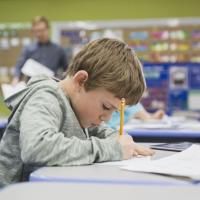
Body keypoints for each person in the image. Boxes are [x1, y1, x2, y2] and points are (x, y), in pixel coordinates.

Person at [0, 38, 154, 187]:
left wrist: (118, 140)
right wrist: (112, 148)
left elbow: (97, 130)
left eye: (114, 111)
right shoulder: (45, 97)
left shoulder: (78, 109)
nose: (107, 118)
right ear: (81, 81)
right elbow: (36, 147)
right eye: (106, 107)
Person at [12, 16, 67, 85]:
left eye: (42, 30)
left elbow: (67, 70)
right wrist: (15, 79)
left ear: (48, 29)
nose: (39, 34)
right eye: (36, 31)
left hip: (52, 88)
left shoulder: (58, 49)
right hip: (31, 88)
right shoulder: (28, 49)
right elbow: (19, 68)